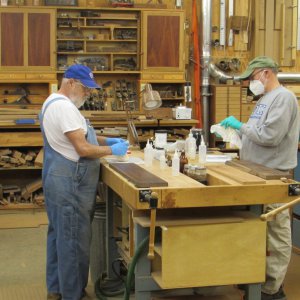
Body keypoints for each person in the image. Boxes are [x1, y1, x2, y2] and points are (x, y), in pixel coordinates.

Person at [39, 64, 128, 300]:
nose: (88, 94)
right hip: (70, 182)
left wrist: (106, 137)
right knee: (73, 241)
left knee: (59, 236)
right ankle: (73, 294)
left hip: (57, 177)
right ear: (70, 83)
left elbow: (79, 134)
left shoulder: (53, 102)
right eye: (85, 88)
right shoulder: (65, 108)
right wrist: (112, 149)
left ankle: (56, 290)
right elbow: (83, 148)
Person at [220, 56, 300, 300]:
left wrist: (240, 125)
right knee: (257, 230)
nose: (249, 84)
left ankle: (272, 289)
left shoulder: (284, 98)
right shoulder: (264, 99)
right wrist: (236, 133)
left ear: (266, 73)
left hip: (273, 175)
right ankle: (255, 278)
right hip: (256, 172)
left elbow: (270, 137)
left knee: (276, 232)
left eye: (252, 78)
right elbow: (256, 134)